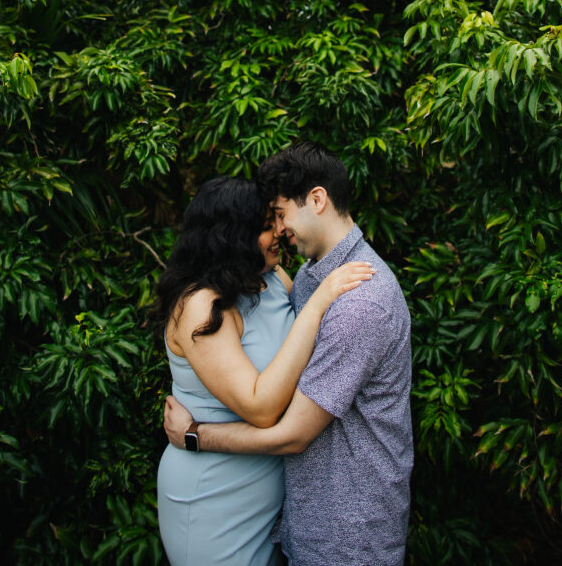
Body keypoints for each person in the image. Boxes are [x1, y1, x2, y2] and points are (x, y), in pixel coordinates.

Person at [164, 143, 413, 566]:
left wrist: (195, 436)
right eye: (269, 221)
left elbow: (293, 433)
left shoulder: (357, 300)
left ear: (317, 199)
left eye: (279, 215)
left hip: (346, 536)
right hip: (293, 521)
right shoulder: (311, 278)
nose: (279, 230)